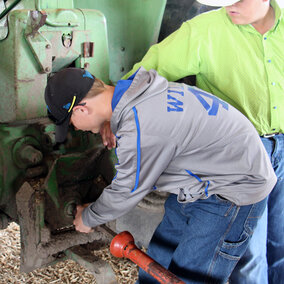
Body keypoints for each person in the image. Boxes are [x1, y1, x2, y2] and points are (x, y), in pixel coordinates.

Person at [44, 67, 276, 283]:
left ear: (81, 110)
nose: (75, 128)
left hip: (232, 191)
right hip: (203, 178)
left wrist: (88, 217)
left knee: (189, 273)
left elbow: (126, 191)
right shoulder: (140, 92)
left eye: (71, 122)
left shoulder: (140, 125)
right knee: (159, 258)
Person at [118, 0, 284, 283]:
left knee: (280, 245)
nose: (229, 5)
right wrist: (117, 112)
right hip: (241, 159)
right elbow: (145, 76)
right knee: (247, 258)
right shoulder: (203, 30)